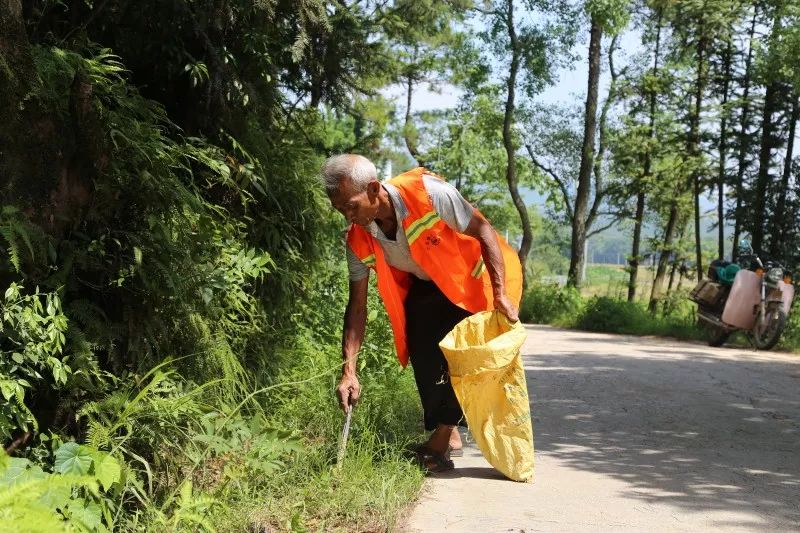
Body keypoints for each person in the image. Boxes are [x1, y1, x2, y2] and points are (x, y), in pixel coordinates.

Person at [321, 154, 522, 472]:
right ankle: (449, 430)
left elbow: (484, 231)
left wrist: (500, 294)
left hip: (472, 281)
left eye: (352, 206)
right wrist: (349, 371)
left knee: (463, 360)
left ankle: (440, 440)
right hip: (428, 285)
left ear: (374, 189)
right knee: (425, 357)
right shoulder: (357, 238)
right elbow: (357, 307)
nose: (348, 216)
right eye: (341, 210)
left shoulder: (430, 194)